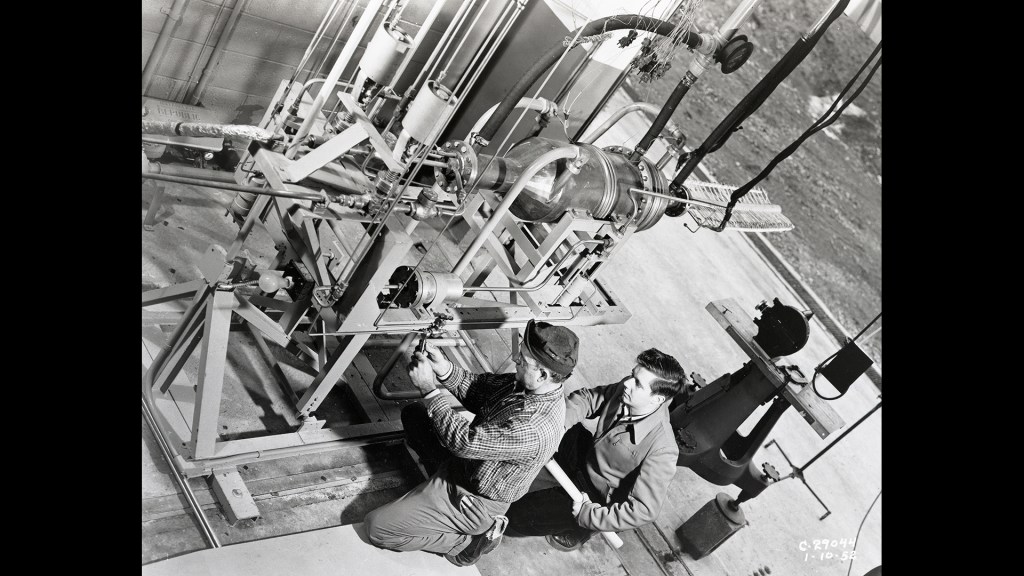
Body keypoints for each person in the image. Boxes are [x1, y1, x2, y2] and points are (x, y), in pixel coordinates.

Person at [364, 319, 579, 566]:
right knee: (414, 415)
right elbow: (479, 390)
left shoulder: (535, 426)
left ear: (542, 374)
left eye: (523, 360)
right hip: (463, 465)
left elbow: (464, 441)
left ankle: (466, 544)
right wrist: (443, 368)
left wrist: (429, 389)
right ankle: (435, 489)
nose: (516, 361)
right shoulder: (526, 384)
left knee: (376, 528)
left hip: (473, 498)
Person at [505, 348, 689, 551]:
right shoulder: (628, 389)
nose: (627, 383)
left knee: (514, 517)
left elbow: (643, 510)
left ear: (657, 400)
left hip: (596, 495)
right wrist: (559, 424)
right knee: (545, 419)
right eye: (632, 374)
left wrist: (590, 515)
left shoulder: (663, 450)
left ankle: (582, 529)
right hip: (588, 457)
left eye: (637, 383)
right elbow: (588, 399)